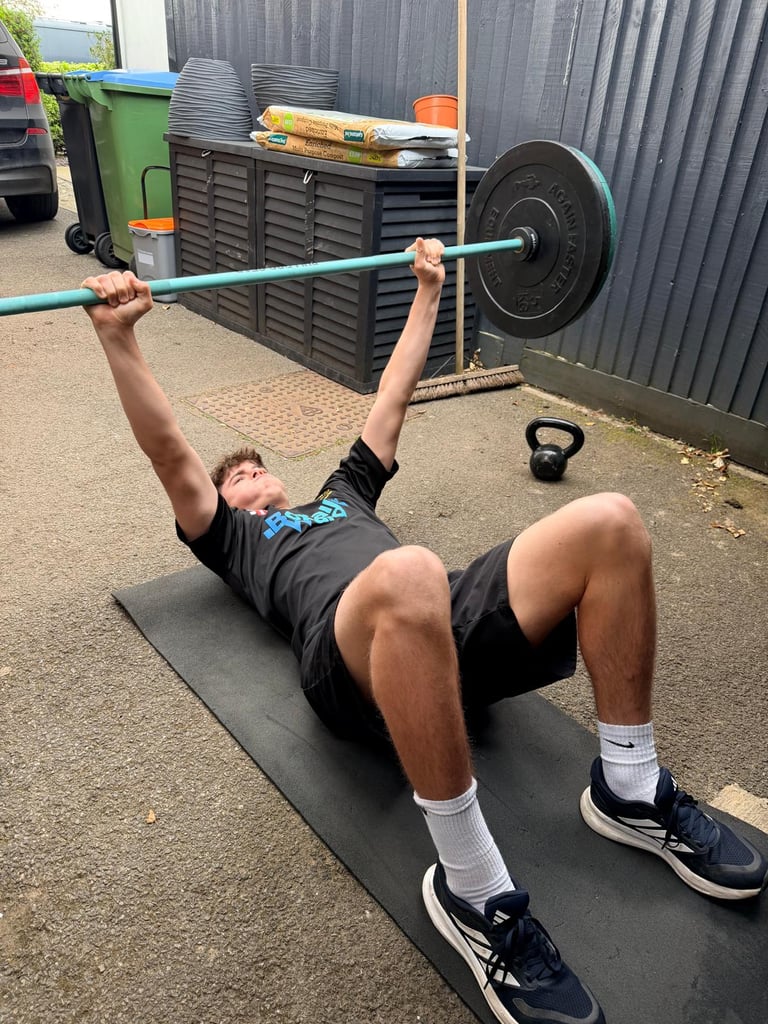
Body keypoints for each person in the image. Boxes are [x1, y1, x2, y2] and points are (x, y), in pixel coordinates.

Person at [83, 240, 767, 1024]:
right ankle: (473, 893)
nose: (245, 476)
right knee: (409, 572)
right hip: (348, 656)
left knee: (612, 522)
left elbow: (393, 399)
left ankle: (629, 785)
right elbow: (171, 451)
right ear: (224, 504)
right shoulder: (233, 543)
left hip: (437, 618)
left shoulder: (344, 492)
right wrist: (119, 337)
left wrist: (429, 291)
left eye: (253, 467)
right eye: (231, 477)